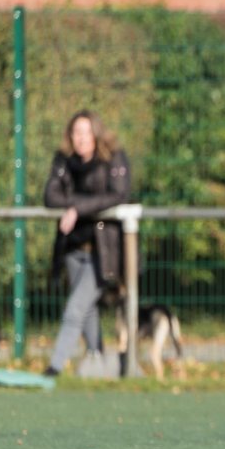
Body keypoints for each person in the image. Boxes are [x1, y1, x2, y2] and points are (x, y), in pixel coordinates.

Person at [43, 110, 131, 377]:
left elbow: (119, 194)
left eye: (85, 132)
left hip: (103, 249)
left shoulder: (113, 159)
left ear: (96, 133)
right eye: (76, 133)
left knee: (75, 308)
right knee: (87, 309)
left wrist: (77, 209)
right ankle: (98, 360)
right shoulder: (64, 161)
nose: (80, 138)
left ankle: (54, 368)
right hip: (72, 247)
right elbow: (50, 195)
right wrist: (76, 207)